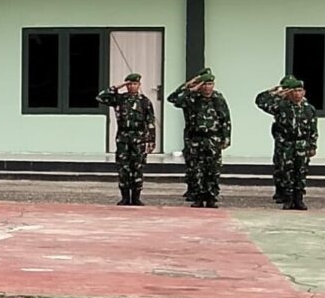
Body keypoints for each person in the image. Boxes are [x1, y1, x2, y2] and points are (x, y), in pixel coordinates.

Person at [165, 71, 232, 209]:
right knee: (197, 170)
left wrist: (226, 137)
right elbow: (174, 99)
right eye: (205, 84)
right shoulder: (192, 97)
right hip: (196, 138)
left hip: (213, 138)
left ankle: (211, 197)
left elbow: (225, 119)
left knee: (213, 169)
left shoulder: (218, 98)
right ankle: (199, 197)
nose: (208, 87)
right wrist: (189, 87)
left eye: (210, 84)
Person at [255, 76, 317, 210]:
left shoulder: (309, 109)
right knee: (286, 172)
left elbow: (313, 128)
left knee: (301, 172)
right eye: (294, 91)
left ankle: (299, 199)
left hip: (301, 144)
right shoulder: (281, 106)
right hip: (286, 144)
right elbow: (260, 101)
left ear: (304, 92)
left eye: (300, 91)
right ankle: (288, 199)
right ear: (289, 93)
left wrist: (312, 145)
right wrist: (274, 92)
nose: (297, 94)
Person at [96, 73, 156, 206]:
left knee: (138, 168)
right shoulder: (120, 99)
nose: (131, 87)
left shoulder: (144, 101)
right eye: (129, 84)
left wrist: (151, 140)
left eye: (134, 84)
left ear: (139, 85)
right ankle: (124, 197)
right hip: (123, 138)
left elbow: (150, 121)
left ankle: (136, 197)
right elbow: (100, 97)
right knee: (123, 168)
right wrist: (118, 87)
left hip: (139, 139)